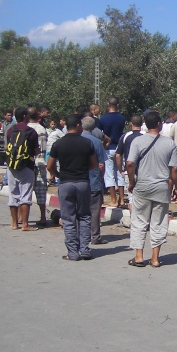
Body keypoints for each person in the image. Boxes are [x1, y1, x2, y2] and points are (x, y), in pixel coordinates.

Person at [126, 111, 177, 267]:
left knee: (139, 221)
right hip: (161, 187)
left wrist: (131, 182)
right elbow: (175, 169)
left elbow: (130, 164)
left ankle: (138, 256)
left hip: (142, 185)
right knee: (158, 222)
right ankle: (155, 258)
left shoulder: (137, 141)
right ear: (159, 124)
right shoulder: (169, 143)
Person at [47, 114, 96, 261]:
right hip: (82, 182)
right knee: (85, 216)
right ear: (78, 126)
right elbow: (93, 164)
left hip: (66, 182)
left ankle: (73, 253)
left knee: (68, 219)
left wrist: (58, 174)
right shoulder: (87, 143)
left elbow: (49, 165)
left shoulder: (58, 143)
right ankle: (85, 250)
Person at [5, 107, 39, 231]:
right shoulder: (31, 132)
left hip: (11, 166)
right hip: (27, 166)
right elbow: (35, 151)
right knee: (25, 195)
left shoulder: (10, 131)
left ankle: (14, 224)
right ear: (25, 116)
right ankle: (25, 224)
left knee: (13, 194)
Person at [80, 116, 107, 245]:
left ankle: (80, 234)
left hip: (77, 180)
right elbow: (101, 164)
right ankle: (95, 236)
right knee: (94, 210)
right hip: (93, 181)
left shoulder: (75, 139)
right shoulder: (96, 142)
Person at [98, 97, 127, 207]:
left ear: (107, 104)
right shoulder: (122, 118)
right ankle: (122, 199)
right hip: (119, 147)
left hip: (108, 147)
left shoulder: (103, 119)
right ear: (117, 105)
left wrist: (106, 141)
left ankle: (113, 200)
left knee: (109, 174)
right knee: (120, 172)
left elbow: (100, 133)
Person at [26, 108, 49, 226]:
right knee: (41, 190)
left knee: (26, 190)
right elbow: (44, 148)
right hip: (39, 160)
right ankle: (43, 217)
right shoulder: (41, 129)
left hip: (26, 162)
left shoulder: (24, 128)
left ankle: (22, 217)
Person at [114, 115, 145, 207]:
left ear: (131, 124)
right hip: (144, 170)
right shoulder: (146, 135)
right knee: (143, 199)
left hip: (130, 170)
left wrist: (120, 170)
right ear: (142, 123)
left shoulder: (125, 136)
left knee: (132, 199)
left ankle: (133, 220)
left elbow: (118, 155)